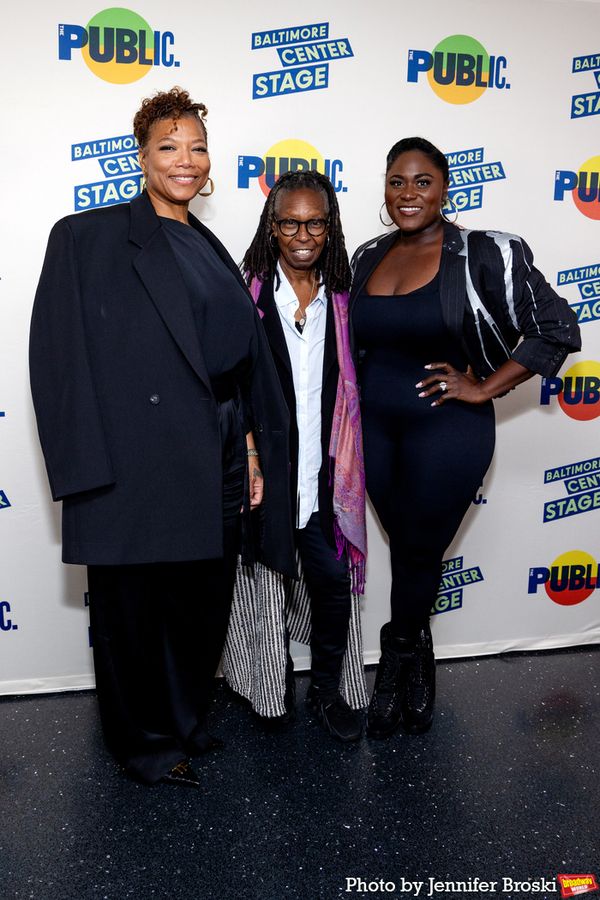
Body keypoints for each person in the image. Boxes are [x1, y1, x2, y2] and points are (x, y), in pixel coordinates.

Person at [29, 88, 294, 787]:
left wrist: (250, 449)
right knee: (131, 616)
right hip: (135, 462)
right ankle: (141, 742)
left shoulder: (208, 244)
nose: (186, 160)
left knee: (199, 603)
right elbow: (57, 362)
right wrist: (85, 475)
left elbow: (229, 365)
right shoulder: (86, 237)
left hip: (217, 452)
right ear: (140, 156)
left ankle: (180, 719)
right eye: (169, 146)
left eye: (198, 146)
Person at [350, 137, 581, 740]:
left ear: (445, 188)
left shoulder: (485, 254)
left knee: (420, 549)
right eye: (397, 182)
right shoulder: (366, 257)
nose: (408, 194)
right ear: (384, 189)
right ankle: (418, 642)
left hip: (447, 430)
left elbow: (555, 328)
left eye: (422, 182)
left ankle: (396, 657)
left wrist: (484, 388)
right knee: (408, 549)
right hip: (372, 430)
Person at [222, 171, 367, 742]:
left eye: (315, 222)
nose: (302, 234)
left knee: (332, 584)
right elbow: (229, 386)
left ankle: (329, 691)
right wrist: (251, 453)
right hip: (266, 478)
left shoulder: (344, 300)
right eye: (289, 222)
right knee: (265, 586)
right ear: (272, 226)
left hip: (326, 479)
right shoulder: (249, 295)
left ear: (329, 227)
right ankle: (270, 683)